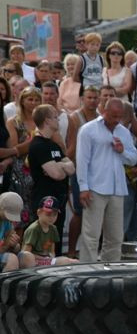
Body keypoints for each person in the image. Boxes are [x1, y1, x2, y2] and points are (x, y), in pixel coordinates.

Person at [76, 98, 137, 262]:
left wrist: (122, 151)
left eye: (119, 116)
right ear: (104, 112)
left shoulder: (123, 132)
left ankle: (110, 269)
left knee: (116, 236)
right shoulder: (88, 130)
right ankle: (87, 269)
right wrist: (83, 187)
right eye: (113, 116)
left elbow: (133, 159)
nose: (116, 120)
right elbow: (82, 160)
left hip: (118, 188)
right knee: (91, 234)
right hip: (94, 187)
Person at [27, 105, 75, 254]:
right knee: (42, 244)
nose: (58, 119)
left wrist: (59, 165)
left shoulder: (54, 145)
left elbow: (72, 168)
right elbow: (57, 174)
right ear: (47, 120)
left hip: (59, 202)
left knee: (57, 241)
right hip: (44, 201)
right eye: (55, 117)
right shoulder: (38, 145)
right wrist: (62, 167)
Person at [65, 85, 101, 258]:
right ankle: (72, 250)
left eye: (95, 97)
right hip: (80, 170)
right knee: (79, 212)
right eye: (89, 97)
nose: (92, 100)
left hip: (97, 171)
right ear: (82, 99)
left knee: (94, 212)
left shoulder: (101, 117)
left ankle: (89, 250)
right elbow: (71, 148)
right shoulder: (75, 118)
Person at [6, 86, 42, 227]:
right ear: (22, 101)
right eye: (30, 99)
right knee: (20, 213)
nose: (33, 103)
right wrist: (34, 141)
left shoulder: (43, 120)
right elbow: (15, 148)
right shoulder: (13, 122)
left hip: (40, 168)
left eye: (37, 100)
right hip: (21, 170)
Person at [22, 196, 77, 266]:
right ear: (39, 212)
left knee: (74, 262)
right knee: (66, 261)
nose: (52, 217)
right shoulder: (33, 229)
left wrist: (51, 259)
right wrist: (46, 259)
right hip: (33, 261)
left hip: (46, 260)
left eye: (55, 214)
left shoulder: (53, 229)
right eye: (48, 214)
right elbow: (25, 254)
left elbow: (52, 251)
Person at [0, 192, 35, 271]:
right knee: (12, 259)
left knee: (28, 257)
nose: (11, 219)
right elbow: (5, 247)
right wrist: (6, 245)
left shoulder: (7, 222)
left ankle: (26, 283)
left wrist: (14, 245)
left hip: (3, 252)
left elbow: (16, 248)